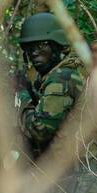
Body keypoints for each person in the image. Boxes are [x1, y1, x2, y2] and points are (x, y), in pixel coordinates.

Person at [14, 12, 86, 158]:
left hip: (75, 172)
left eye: (41, 45)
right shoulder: (67, 71)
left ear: (57, 45)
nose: (34, 52)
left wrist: (22, 94)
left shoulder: (62, 78)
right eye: (29, 47)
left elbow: (39, 131)